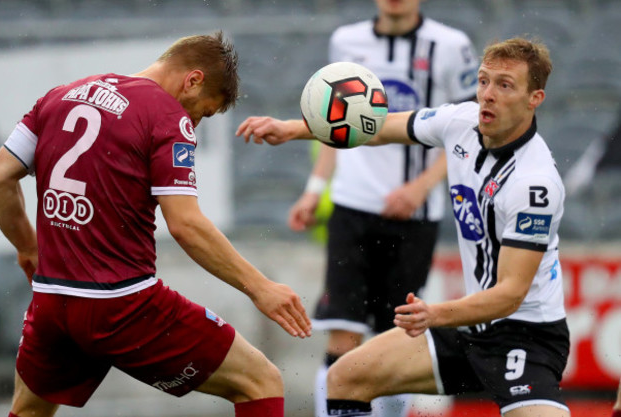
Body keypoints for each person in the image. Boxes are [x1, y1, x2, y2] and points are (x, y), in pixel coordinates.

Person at [238, 37, 570, 417]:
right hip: (467, 330)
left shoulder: (535, 184)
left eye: (504, 84)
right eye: (483, 81)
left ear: (535, 98)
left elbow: (510, 293)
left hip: (526, 336)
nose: (487, 95)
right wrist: (293, 129)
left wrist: (436, 314)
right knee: (345, 376)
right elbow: (375, 128)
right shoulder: (460, 122)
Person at [0, 32, 311, 417]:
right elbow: (186, 225)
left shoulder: (60, 95)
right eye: (202, 113)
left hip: (52, 301)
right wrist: (260, 287)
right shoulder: (166, 116)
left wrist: (26, 246)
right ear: (193, 80)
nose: (194, 123)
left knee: (29, 411)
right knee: (261, 382)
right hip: (122, 304)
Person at [249, 1, 478, 416]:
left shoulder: (450, 45)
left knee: (400, 334)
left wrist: (420, 187)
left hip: (414, 214)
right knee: (343, 331)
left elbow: (469, 129)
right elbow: (332, 123)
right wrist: (315, 189)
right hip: (351, 205)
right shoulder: (346, 40)